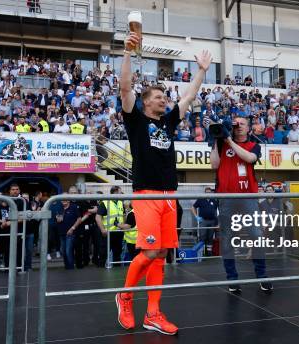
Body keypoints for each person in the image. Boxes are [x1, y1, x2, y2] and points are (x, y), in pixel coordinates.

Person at [115, 30, 212, 336]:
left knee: (162, 255)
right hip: (146, 194)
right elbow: (124, 86)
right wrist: (129, 52)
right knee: (149, 252)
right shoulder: (136, 119)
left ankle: (153, 313)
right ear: (145, 103)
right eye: (158, 97)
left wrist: (202, 71)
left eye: (164, 97)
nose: (164, 99)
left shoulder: (168, 122)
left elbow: (189, 97)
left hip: (170, 195)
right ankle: (125, 296)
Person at [210, 116, 272, 293]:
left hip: (248, 197)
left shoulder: (254, 145)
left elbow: (250, 159)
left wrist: (228, 139)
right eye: (234, 124)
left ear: (248, 128)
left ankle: (262, 276)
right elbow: (214, 164)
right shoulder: (221, 145)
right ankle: (232, 279)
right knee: (227, 239)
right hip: (226, 197)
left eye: (241, 124)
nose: (237, 127)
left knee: (256, 235)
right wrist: (216, 139)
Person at [96, 186, 125, 265]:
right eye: (120, 192)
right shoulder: (105, 203)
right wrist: (102, 229)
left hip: (118, 232)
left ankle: (117, 270)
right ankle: (100, 271)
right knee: (103, 253)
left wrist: (123, 227)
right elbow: (98, 217)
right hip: (107, 233)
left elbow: (123, 216)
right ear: (115, 192)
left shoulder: (120, 202)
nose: (121, 194)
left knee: (117, 254)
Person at [191, 187, 219, 256]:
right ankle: (201, 253)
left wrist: (217, 223)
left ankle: (209, 253)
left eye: (209, 192)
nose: (208, 194)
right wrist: (196, 216)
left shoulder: (214, 201)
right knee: (202, 236)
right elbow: (193, 207)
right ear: (205, 193)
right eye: (207, 192)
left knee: (210, 237)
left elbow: (217, 211)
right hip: (203, 221)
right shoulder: (201, 199)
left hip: (212, 221)